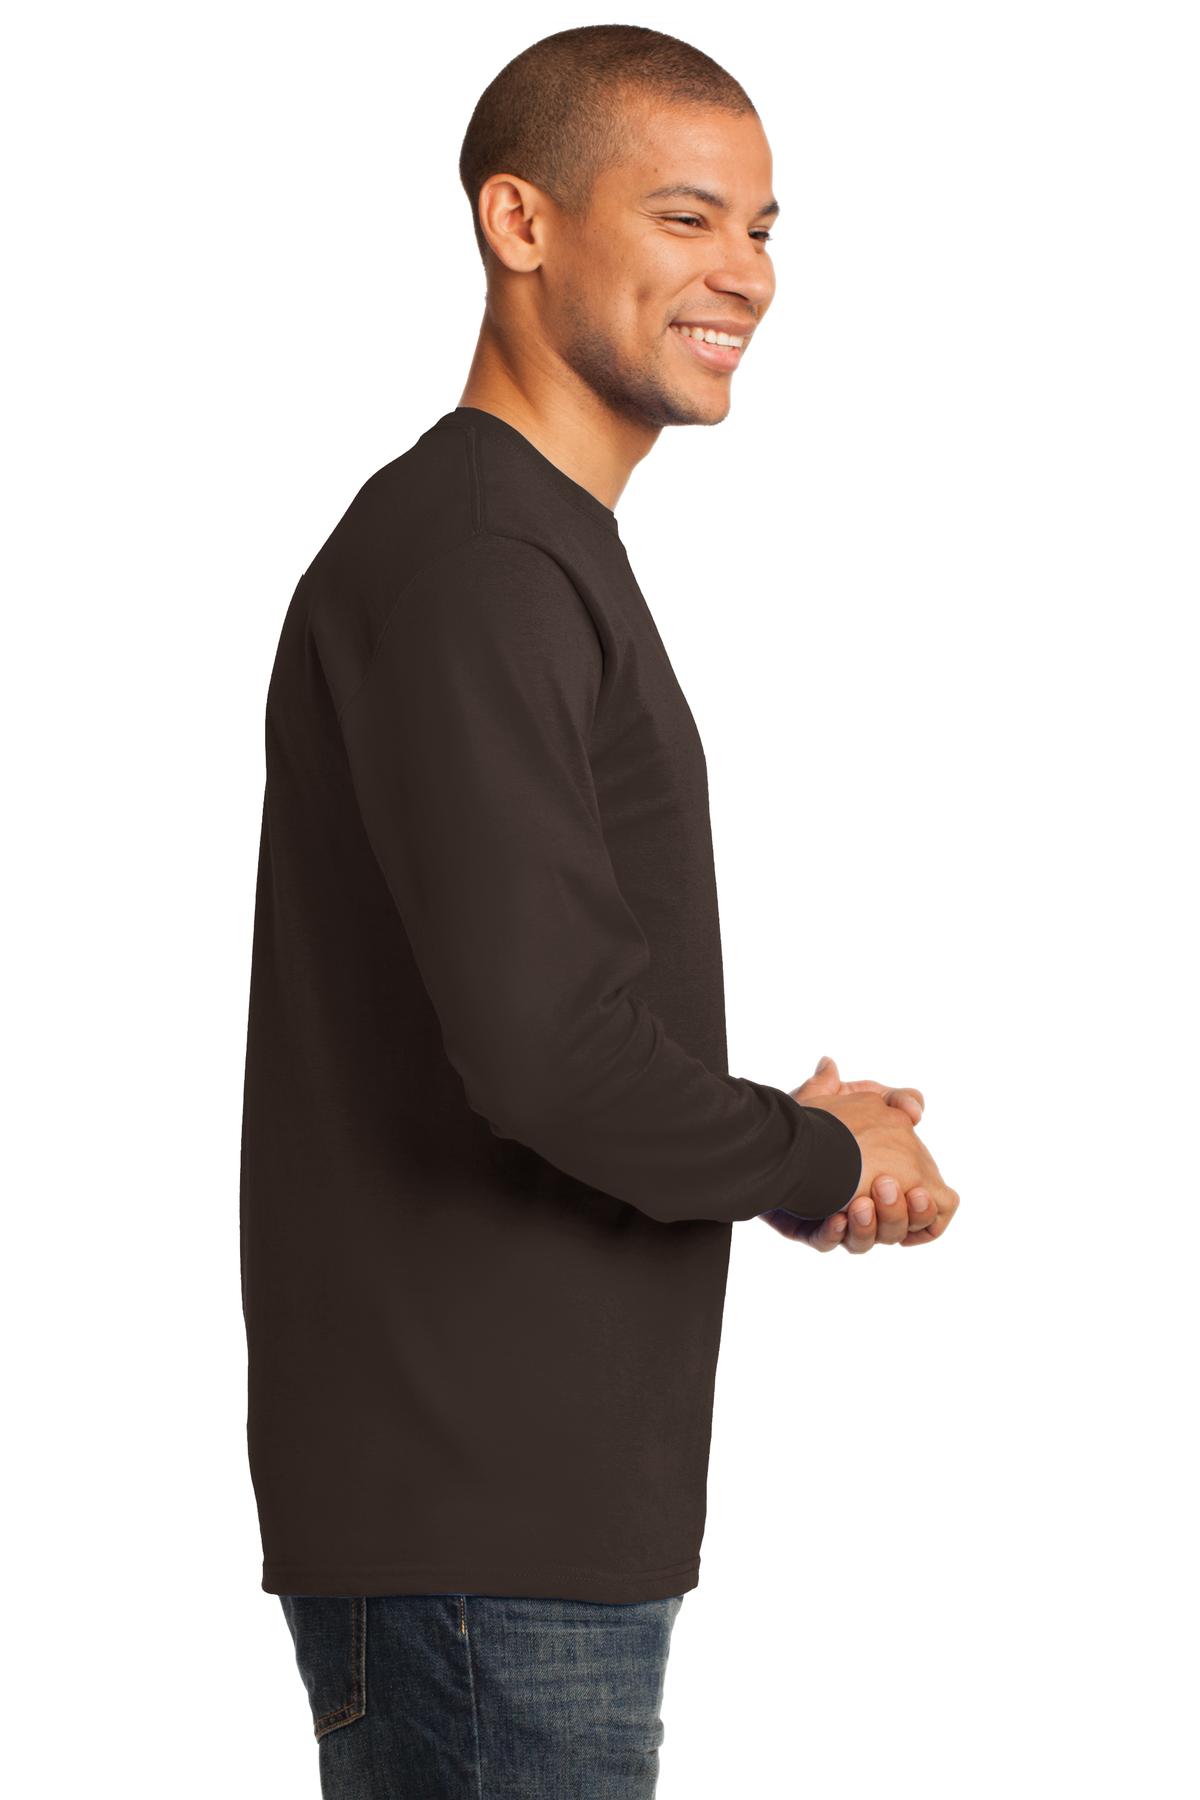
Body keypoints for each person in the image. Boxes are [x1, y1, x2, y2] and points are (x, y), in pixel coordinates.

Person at [239, 23, 960, 1799]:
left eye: (765, 228)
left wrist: (774, 1138)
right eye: (688, 217)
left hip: (516, 1523)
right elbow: (549, 1054)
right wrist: (815, 1156)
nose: (747, 274)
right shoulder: (479, 558)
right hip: (485, 1534)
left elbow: (543, 1016)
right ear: (521, 222)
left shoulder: (523, 548)